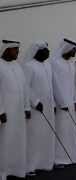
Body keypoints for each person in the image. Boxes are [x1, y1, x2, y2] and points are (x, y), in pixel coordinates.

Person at [23, 41, 55, 174]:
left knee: (46, 136)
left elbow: (50, 87)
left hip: (47, 107)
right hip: (36, 109)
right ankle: (31, 166)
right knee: (34, 136)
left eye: (48, 50)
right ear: (37, 51)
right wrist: (35, 102)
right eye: (45, 51)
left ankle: (45, 163)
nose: (48, 53)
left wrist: (52, 104)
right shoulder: (29, 66)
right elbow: (26, 87)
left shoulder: (47, 65)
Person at [0, 40, 30, 179]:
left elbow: (24, 88)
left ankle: (17, 169)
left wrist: (27, 107)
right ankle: (3, 172)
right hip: (6, 112)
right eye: (15, 50)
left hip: (18, 112)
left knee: (18, 140)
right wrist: (0, 111)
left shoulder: (18, 66)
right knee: (5, 141)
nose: (18, 52)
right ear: (6, 50)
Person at [51, 38, 76, 166]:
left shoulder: (70, 63)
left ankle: (70, 156)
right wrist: (62, 102)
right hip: (60, 104)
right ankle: (59, 159)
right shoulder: (55, 63)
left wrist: (75, 99)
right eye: (74, 50)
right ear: (67, 49)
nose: (75, 52)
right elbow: (55, 85)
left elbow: (73, 84)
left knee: (70, 130)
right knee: (61, 130)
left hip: (70, 103)